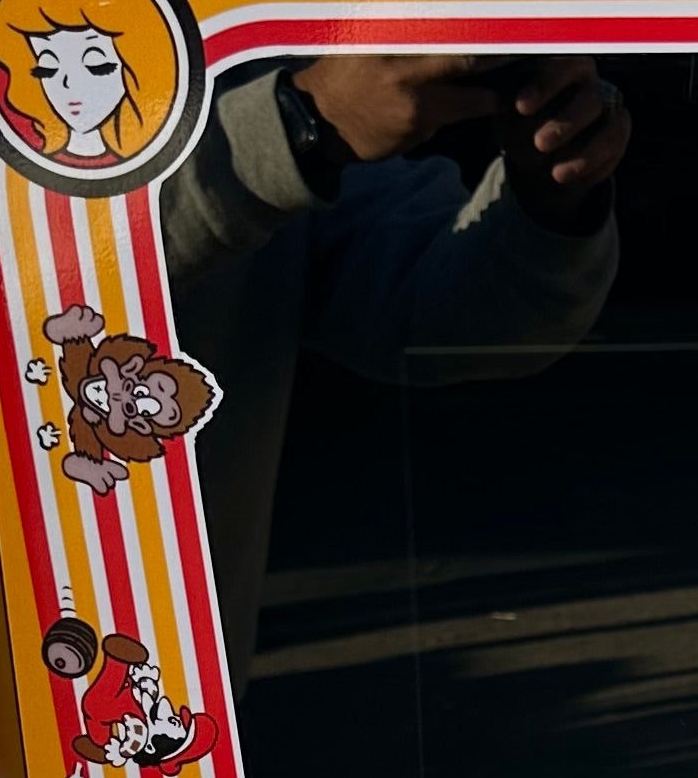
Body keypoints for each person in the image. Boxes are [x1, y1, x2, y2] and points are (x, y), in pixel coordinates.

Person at [159, 51, 628, 668]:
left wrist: (547, 192)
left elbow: (442, 313)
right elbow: (11, 275)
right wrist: (299, 123)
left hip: (177, 697)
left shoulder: (231, 41)